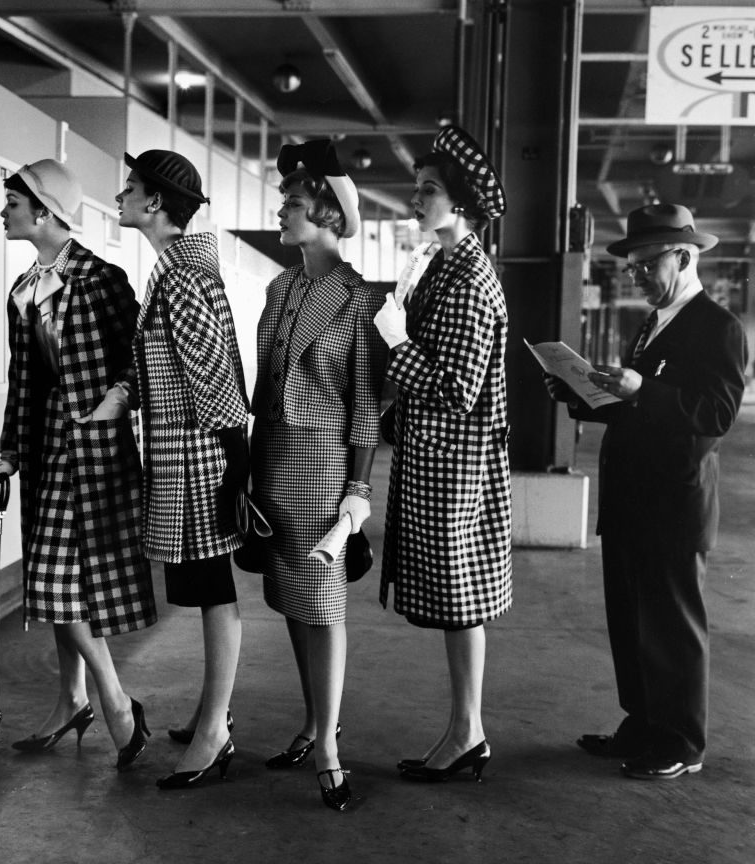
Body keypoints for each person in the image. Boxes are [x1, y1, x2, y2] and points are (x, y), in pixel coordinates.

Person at [544, 203, 746, 781]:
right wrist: (578, 393)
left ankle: (682, 741)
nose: (636, 277)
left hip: (673, 505)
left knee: (673, 628)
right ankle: (643, 722)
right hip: (631, 499)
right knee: (631, 622)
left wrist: (641, 390)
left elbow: (716, 414)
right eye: (632, 268)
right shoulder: (653, 322)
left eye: (645, 265)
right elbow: (636, 410)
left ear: (683, 257)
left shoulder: (718, 327)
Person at [0, 159, 156, 770]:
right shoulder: (23, 288)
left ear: (46, 210)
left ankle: (113, 702)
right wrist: (9, 453)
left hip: (98, 450)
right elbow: (24, 382)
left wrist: (117, 403)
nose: (3, 211)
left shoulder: (102, 279)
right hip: (49, 447)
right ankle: (73, 699)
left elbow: (142, 362)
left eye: (11, 201)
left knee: (61, 583)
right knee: (61, 583)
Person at [373, 125, 512, 783]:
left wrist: (398, 341)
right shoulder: (444, 262)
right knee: (458, 602)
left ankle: (467, 733)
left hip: (456, 462)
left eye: (428, 190)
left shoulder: (471, 277)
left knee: (462, 601)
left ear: (459, 203)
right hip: (437, 455)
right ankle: (466, 730)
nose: (416, 198)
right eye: (418, 187)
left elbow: (458, 387)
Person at [250, 139, 384, 812]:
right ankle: (311, 723)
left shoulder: (356, 298)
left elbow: (366, 402)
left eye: (295, 204)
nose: (282, 211)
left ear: (329, 215)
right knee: (292, 603)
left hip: (325, 465)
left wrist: (357, 490)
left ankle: (329, 747)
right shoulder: (280, 287)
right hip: (272, 460)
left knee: (324, 606)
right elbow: (261, 385)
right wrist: (246, 470)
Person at [115, 150, 249, 790]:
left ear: (157, 204)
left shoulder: (184, 278)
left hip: (198, 458)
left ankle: (216, 729)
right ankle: (209, 713)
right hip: (185, 454)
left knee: (211, 588)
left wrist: (233, 468)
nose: (121, 196)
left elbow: (215, 380)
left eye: (131, 187)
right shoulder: (174, 272)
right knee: (203, 588)